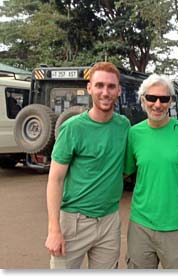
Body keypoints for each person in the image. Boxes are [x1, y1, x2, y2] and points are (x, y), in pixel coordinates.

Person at [44, 62, 130, 269]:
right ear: (89, 88)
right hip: (74, 222)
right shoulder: (72, 128)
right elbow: (55, 179)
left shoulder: (123, 125)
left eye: (111, 87)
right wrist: (54, 229)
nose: (105, 92)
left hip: (109, 222)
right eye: (99, 85)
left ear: (119, 90)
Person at [124, 74, 178, 269]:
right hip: (140, 224)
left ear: (170, 102)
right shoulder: (134, 134)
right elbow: (124, 172)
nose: (157, 104)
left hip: (175, 225)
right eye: (151, 98)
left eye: (164, 99)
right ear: (143, 99)